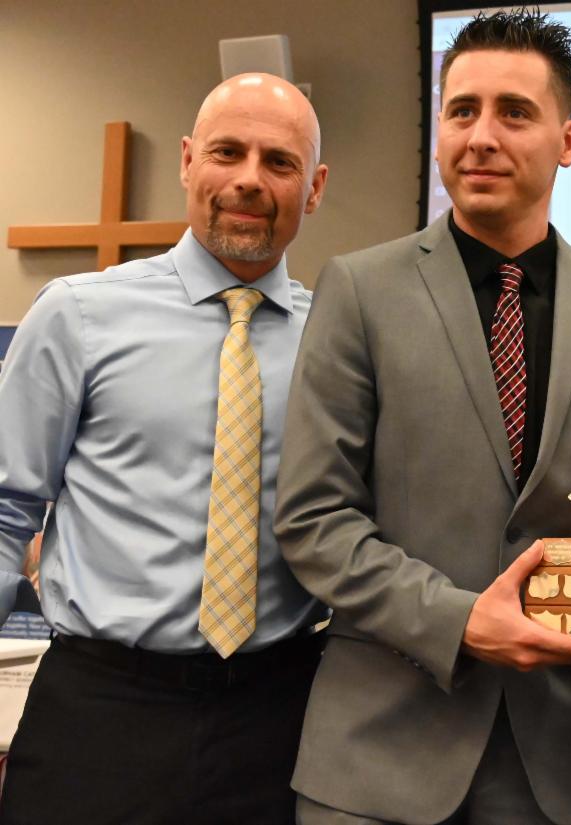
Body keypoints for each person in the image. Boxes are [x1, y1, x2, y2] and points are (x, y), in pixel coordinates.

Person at [274, 10, 571, 825]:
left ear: (568, 140)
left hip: (561, 769)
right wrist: (463, 621)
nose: (481, 136)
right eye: (462, 111)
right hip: (377, 763)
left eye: (513, 113)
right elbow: (315, 519)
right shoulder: (359, 291)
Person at [0, 73, 329, 825]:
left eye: (279, 162)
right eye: (227, 151)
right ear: (188, 161)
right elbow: (6, 507)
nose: (249, 179)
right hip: (100, 713)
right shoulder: (79, 315)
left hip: (280, 716)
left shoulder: (337, 340)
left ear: (314, 188)